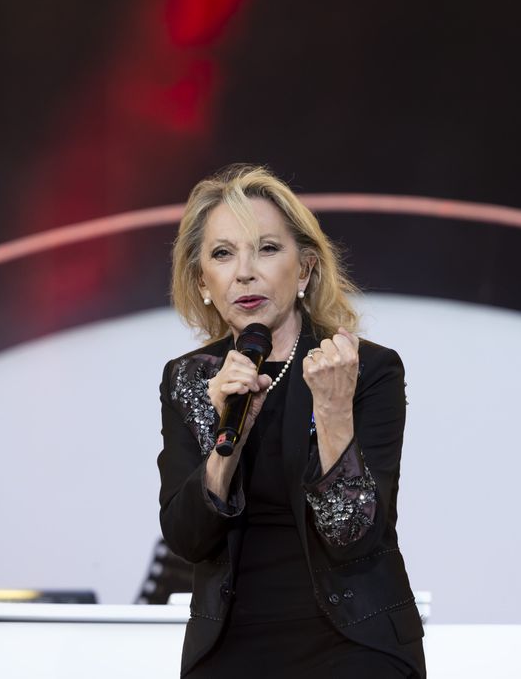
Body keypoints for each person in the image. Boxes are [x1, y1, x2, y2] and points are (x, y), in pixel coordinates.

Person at [158, 164, 425, 678]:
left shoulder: (364, 369)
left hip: (352, 641)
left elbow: (354, 535)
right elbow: (188, 538)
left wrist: (331, 410)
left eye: (267, 249)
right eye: (222, 254)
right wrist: (224, 442)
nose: (245, 272)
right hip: (230, 646)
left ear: (304, 270)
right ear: (203, 281)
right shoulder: (190, 379)